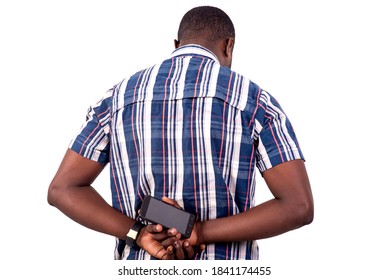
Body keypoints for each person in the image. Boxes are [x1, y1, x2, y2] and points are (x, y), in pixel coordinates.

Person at [48, 5, 314, 260]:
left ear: (177, 44)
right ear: (228, 45)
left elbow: (63, 189)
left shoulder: (116, 100)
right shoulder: (253, 100)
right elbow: (297, 206)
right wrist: (199, 232)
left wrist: (139, 234)